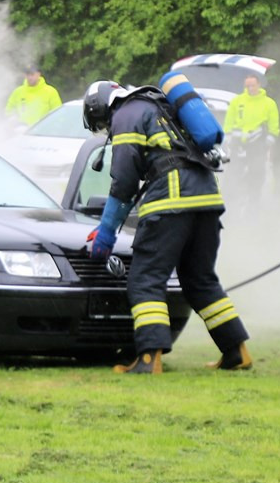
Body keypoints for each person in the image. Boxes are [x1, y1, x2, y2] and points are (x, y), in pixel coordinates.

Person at [82, 80, 252, 375]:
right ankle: (236, 351)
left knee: (145, 278)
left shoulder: (125, 115)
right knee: (201, 280)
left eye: (100, 123)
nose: (106, 129)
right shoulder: (162, 108)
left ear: (100, 108)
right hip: (207, 200)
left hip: (171, 203)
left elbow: (123, 181)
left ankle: (149, 360)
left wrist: (107, 232)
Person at [223, 75, 279, 200]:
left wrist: (271, 137)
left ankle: (254, 199)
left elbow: (273, 123)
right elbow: (229, 120)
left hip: (258, 142)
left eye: (252, 85)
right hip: (237, 143)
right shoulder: (237, 101)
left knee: (257, 172)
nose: (250, 88)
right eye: (247, 86)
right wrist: (228, 136)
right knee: (233, 171)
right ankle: (231, 199)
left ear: (259, 85)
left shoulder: (269, 103)